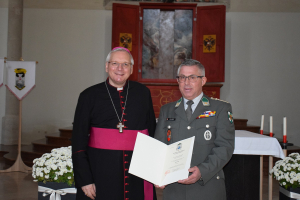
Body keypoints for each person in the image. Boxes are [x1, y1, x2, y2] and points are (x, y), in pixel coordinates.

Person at [72, 47, 157, 200]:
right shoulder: (88, 95)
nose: (120, 69)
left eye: (125, 64)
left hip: (136, 172)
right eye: (115, 63)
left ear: (131, 69)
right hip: (100, 172)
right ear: (106, 66)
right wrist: (85, 179)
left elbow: (152, 132)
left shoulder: (143, 93)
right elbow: (78, 142)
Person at [154, 59, 235, 200]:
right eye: (182, 77)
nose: (187, 82)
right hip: (174, 190)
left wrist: (202, 171)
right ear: (178, 81)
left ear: (203, 80)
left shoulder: (220, 109)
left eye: (192, 77)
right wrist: (158, 174)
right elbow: (160, 147)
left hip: (208, 187)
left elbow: (225, 147)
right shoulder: (167, 110)